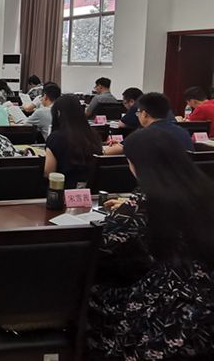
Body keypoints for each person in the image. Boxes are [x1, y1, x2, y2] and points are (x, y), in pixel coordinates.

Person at [86, 127, 214, 360]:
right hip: (205, 301)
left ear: (139, 165)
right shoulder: (203, 189)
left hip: (167, 311)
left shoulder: (144, 203)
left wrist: (126, 209)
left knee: (91, 289)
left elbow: (99, 245)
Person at [104, 92, 193, 155]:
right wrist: (123, 144)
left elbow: (108, 152)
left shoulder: (142, 135)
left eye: (138, 113)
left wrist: (110, 148)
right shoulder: (183, 132)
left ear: (144, 114)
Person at [44, 95, 102, 188]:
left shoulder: (55, 138)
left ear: (58, 113)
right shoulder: (93, 135)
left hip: (62, 190)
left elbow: (49, 173)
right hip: (90, 190)